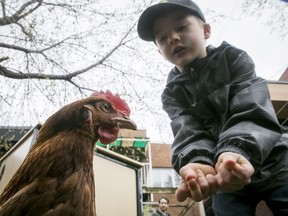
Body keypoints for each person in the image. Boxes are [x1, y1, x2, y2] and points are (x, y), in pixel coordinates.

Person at [137, 0, 288, 215]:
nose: (172, 38)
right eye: (162, 38)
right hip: (222, 174)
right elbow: (188, 132)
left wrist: (235, 150)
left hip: (274, 161)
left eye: (181, 27)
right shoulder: (172, 95)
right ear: (160, 52)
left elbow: (250, 109)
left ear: (206, 30)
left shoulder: (234, 59)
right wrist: (198, 163)